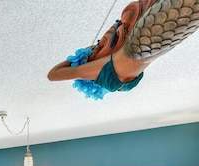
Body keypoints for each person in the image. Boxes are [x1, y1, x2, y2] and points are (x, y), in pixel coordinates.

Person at [47, 0, 199, 99]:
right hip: (145, 43)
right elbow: (53, 75)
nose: (98, 45)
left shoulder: (121, 84)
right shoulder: (100, 69)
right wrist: (79, 56)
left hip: (160, 46)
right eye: (98, 46)